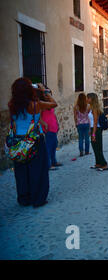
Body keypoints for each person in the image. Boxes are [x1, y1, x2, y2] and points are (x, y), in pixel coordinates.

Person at [8, 78, 57, 208]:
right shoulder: (35, 104)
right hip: (34, 140)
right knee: (38, 169)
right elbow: (53, 104)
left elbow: (18, 120)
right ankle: (38, 198)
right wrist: (44, 91)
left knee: (21, 171)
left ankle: (24, 198)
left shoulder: (11, 104)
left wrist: (40, 121)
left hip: (18, 141)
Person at [40, 87, 62, 170]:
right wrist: (43, 123)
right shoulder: (42, 104)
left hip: (53, 127)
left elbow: (53, 114)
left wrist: (57, 123)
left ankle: (54, 161)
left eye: (48, 93)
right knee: (48, 147)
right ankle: (48, 164)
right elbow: (38, 117)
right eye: (45, 93)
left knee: (54, 145)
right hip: (47, 128)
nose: (47, 95)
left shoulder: (50, 104)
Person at [87, 93, 108, 171]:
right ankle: (98, 163)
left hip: (97, 129)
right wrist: (90, 130)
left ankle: (104, 164)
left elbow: (95, 122)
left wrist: (93, 133)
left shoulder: (95, 109)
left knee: (98, 147)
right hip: (93, 129)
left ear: (91, 99)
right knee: (95, 147)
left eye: (88, 98)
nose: (87, 99)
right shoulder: (91, 108)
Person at [74, 93, 90, 157]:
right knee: (87, 138)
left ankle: (81, 151)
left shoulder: (76, 107)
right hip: (86, 123)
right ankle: (87, 151)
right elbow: (88, 115)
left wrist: (76, 123)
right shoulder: (88, 106)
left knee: (80, 138)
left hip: (79, 123)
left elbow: (75, 116)